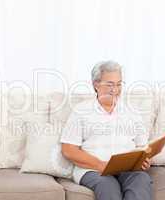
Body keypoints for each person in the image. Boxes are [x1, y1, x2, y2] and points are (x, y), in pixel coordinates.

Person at [60, 61, 153, 200]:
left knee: (141, 180)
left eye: (119, 84)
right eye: (109, 84)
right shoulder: (81, 111)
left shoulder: (132, 111)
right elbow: (68, 149)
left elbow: (143, 146)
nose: (115, 89)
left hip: (127, 169)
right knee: (108, 185)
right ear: (96, 84)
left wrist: (145, 160)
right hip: (93, 170)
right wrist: (99, 165)